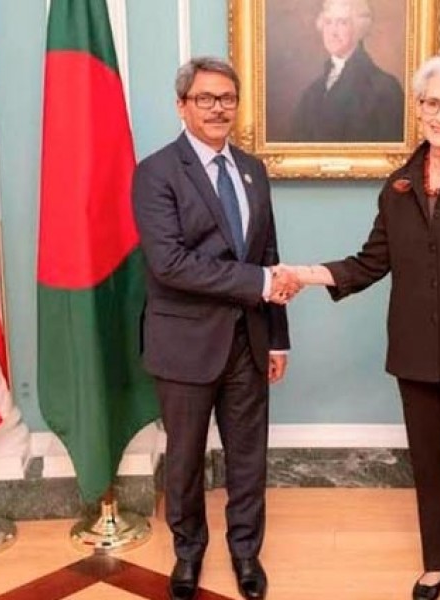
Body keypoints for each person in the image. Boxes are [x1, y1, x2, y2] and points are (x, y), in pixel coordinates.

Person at [286, 56, 440, 600]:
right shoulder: (398, 185)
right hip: (415, 354)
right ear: (418, 109)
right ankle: (436, 562)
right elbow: (370, 262)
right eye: (432, 103)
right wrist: (306, 274)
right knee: (429, 465)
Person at [132, 56, 300, 600]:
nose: (218, 108)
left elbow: (268, 254)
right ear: (181, 106)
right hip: (184, 345)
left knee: (248, 457)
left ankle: (246, 551)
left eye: (227, 98)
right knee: (184, 460)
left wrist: (278, 338)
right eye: (204, 98)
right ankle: (188, 553)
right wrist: (258, 282)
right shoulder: (156, 172)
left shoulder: (252, 169)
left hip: (249, 341)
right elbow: (170, 264)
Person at [288, 0, 404, 142]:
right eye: (328, 22)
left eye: (342, 23)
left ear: (359, 30)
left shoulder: (385, 88)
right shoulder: (312, 92)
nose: (333, 32)